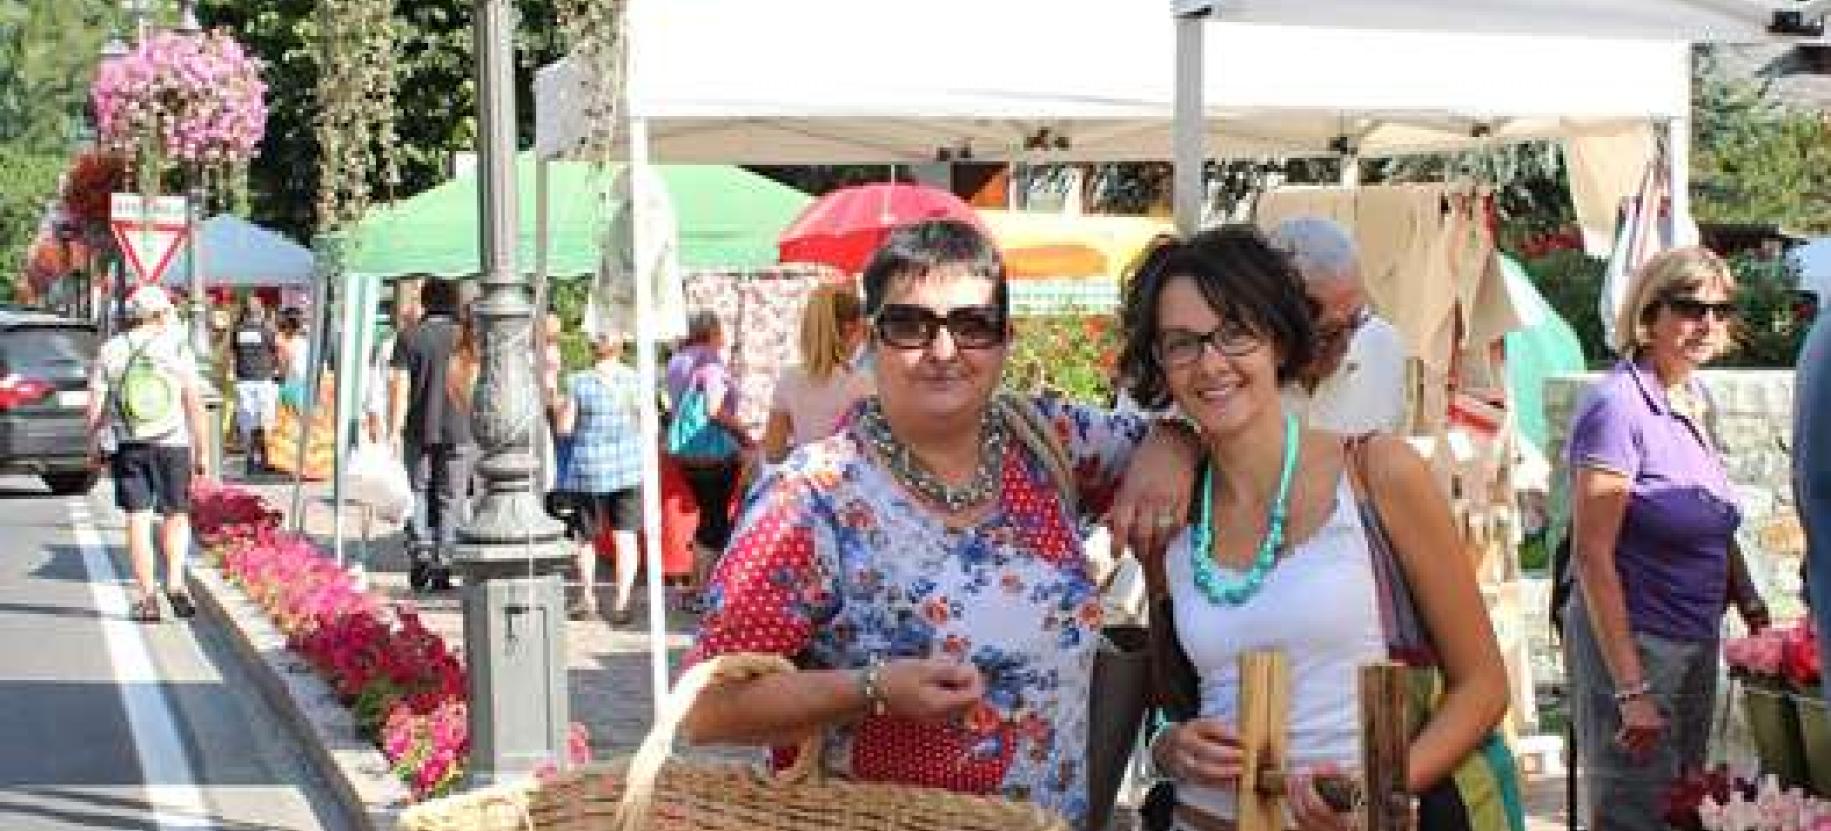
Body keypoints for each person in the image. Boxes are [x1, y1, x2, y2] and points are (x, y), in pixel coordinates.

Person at [678, 219, 1198, 830]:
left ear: (1006, 340)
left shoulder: (1045, 440)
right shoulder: (812, 498)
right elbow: (706, 706)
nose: (944, 351)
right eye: (910, 326)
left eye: (972, 326)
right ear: (870, 340)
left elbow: (1201, 428)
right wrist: (869, 689)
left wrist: (1173, 448)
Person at [1119, 227, 1511, 831]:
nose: (1211, 362)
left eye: (1234, 333)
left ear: (1277, 337)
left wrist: (1377, 789)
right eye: (1181, 344)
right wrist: (1170, 745)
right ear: (1159, 364)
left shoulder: (1376, 473)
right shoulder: (1168, 512)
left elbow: (1483, 687)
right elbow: (1172, 701)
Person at [1562, 247, 1768, 831]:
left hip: (1695, 638)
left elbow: (1711, 518)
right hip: (1638, 644)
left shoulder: (1691, 398)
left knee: (1682, 808)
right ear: (1649, 315)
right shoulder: (1617, 406)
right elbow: (1592, 553)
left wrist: (1751, 603)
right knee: (1635, 814)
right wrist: (1632, 690)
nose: (1707, 324)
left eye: (1721, 311)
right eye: (1690, 308)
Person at [85, 285, 212, 623]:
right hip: (173, 443)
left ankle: (147, 598)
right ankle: (175, 580)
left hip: (130, 444)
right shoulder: (176, 346)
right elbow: (194, 403)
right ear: (161, 314)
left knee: (137, 519)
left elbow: (95, 408)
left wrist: (94, 446)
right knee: (176, 514)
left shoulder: (110, 350)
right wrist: (202, 451)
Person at [1265, 216, 1407, 435]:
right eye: (1328, 332)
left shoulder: (1383, 345)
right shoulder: (1236, 375)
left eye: (1357, 320)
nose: (1347, 343)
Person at [549, 328, 644, 624]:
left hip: (587, 469)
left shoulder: (578, 382)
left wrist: (558, 408)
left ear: (592, 349)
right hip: (628, 467)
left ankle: (588, 597)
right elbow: (644, 422)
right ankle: (622, 601)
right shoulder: (635, 380)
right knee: (625, 536)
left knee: (586, 537)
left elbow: (565, 428)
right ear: (621, 347)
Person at [388, 278, 473, 593]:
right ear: (452, 301)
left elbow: (399, 385)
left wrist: (394, 428)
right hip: (460, 426)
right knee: (452, 496)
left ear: (424, 301)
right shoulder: (465, 337)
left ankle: (421, 549)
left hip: (418, 425)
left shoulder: (409, 336)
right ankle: (445, 560)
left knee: (418, 491)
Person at [664, 310, 756, 576]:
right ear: (714, 331)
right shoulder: (710, 362)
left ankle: (699, 581)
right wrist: (745, 436)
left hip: (686, 450)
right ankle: (703, 586)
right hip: (713, 449)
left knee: (708, 514)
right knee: (715, 518)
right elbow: (714, 409)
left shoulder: (677, 360)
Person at [761, 283, 873, 464]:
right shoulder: (866, 384)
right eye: (863, 331)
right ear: (851, 329)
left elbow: (773, 453)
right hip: (850, 485)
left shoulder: (788, 378)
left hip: (806, 486)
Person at [228, 294, 282, 475]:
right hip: (263, 380)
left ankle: (252, 458)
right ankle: (265, 458)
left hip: (245, 380)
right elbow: (277, 351)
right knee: (265, 422)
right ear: (260, 310)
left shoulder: (238, 330)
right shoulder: (267, 330)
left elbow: (233, 353)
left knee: (248, 423)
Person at [276, 307, 312, 410]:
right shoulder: (303, 342)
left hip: (292, 381)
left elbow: (285, 362)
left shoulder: (281, 340)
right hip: (292, 381)